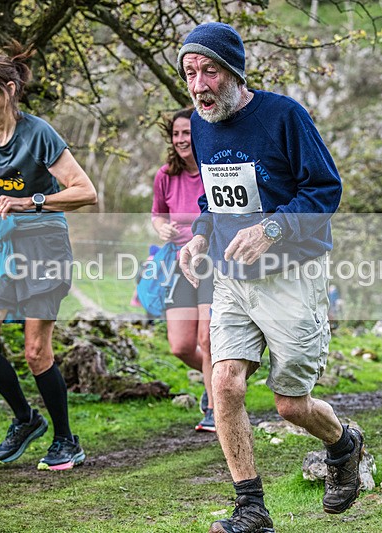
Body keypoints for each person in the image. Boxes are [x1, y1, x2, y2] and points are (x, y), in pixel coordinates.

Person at [176, 22, 363, 533]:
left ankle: (343, 444)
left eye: (209, 71)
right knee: (225, 383)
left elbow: (326, 191)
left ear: (234, 72)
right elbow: (214, 196)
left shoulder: (285, 116)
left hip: (291, 274)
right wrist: (198, 235)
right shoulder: (201, 122)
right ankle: (251, 509)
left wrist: (272, 230)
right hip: (233, 277)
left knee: (290, 405)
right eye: (191, 73)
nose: (199, 84)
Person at [0, 44, 97, 470]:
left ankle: (65, 439)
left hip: (44, 245)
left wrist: (29, 201)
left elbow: (85, 192)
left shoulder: (39, 133)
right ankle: (25, 419)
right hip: (0, 243)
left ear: (9, 89)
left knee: (37, 351)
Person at [151, 107, 216, 432]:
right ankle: (218, 379)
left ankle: (215, 404)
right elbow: (158, 214)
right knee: (180, 344)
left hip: (212, 261)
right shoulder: (165, 175)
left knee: (207, 338)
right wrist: (161, 228)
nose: (180, 140)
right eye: (176, 134)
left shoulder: (212, 169)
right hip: (178, 262)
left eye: (186, 133)